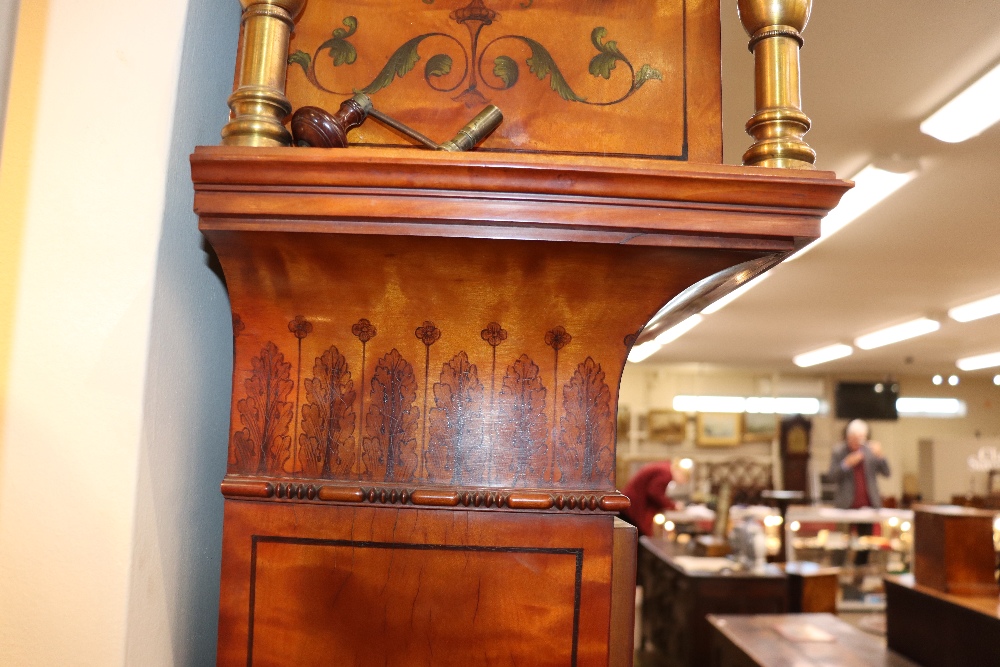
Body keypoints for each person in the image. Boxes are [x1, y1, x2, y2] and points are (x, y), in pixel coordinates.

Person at [828, 419, 890, 510]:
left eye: (860, 439)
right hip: (846, 506)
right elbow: (831, 477)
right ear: (848, 437)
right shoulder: (839, 451)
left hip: (870, 506)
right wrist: (846, 464)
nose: (857, 442)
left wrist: (881, 456)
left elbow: (887, 473)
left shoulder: (870, 451)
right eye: (854, 439)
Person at [621, 460, 686, 537]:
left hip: (631, 502)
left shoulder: (664, 468)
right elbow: (654, 492)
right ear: (681, 473)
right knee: (637, 535)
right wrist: (673, 506)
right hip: (635, 505)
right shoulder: (666, 473)